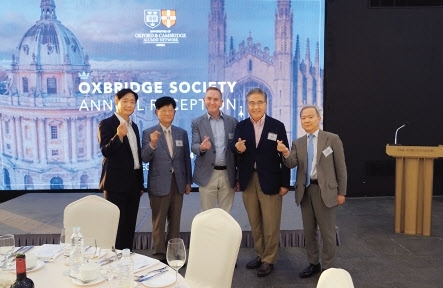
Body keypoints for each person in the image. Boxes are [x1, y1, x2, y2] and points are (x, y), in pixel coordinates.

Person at [276, 105, 347, 278]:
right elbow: (291, 163)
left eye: (310, 117)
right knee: (309, 232)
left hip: (326, 192)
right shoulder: (298, 143)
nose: (307, 120)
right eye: (303, 118)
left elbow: (341, 168)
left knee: (327, 232)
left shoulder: (332, 139)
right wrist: (285, 152)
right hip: (305, 192)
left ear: (318, 118)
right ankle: (313, 263)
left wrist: (341, 192)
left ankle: (328, 268)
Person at [230, 88, 290, 277]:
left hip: (271, 179)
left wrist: (285, 183)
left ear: (265, 104)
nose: (255, 106)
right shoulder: (241, 126)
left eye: (259, 102)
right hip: (249, 180)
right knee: (255, 222)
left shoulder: (277, 126)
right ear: (247, 105)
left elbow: (284, 154)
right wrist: (237, 149)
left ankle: (269, 259)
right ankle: (259, 253)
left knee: (271, 223)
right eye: (251, 103)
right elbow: (236, 152)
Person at [141, 96, 192, 263]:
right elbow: (145, 157)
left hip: (177, 182)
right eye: (164, 110)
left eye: (171, 110)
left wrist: (188, 181)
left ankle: (174, 254)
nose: (168, 113)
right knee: (159, 220)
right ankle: (159, 255)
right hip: (158, 183)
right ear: (157, 112)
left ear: (175, 112)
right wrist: (152, 144)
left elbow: (185, 159)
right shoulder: (148, 133)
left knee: (175, 221)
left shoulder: (181, 133)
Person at [97, 88, 144, 250]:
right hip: (116, 184)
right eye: (125, 101)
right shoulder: (106, 124)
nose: (129, 105)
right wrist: (119, 136)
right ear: (116, 102)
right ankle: (114, 260)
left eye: (132, 102)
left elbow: (136, 157)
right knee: (116, 224)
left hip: (133, 183)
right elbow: (106, 151)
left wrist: (140, 184)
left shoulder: (134, 126)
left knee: (130, 224)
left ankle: (127, 256)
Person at [191, 86, 239, 213]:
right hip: (207, 174)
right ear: (204, 100)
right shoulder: (197, 122)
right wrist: (201, 147)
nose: (212, 102)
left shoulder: (233, 122)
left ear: (221, 102)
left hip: (228, 175)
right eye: (209, 99)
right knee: (207, 215)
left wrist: (238, 176)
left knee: (226, 215)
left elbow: (237, 152)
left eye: (216, 99)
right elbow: (194, 146)